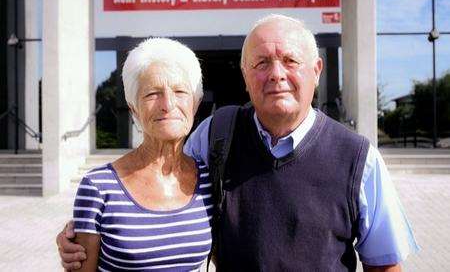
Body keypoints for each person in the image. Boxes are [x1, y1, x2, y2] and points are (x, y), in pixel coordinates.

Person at [58, 14, 418, 271]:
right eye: (261, 62)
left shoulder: (358, 158)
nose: (276, 73)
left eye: (290, 60)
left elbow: (385, 265)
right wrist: (83, 238)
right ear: (245, 75)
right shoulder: (216, 137)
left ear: (316, 71)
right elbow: (154, 189)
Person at [66, 37, 213, 271]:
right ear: (134, 107)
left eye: (180, 91)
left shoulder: (208, 180)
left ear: (195, 104)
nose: (168, 104)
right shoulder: (97, 187)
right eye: (153, 93)